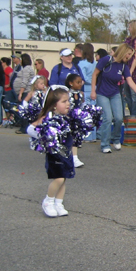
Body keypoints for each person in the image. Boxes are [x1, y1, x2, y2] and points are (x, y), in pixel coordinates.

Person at [27, 86, 74, 218]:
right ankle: (48, 201)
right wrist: (45, 138)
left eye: (68, 101)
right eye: (64, 102)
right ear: (54, 105)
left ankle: (59, 203)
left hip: (66, 153)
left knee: (64, 178)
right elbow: (30, 129)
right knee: (58, 178)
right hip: (54, 154)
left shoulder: (67, 117)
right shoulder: (47, 118)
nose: (68, 104)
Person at [91, 43, 136, 154]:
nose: (129, 57)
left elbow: (130, 81)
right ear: (123, 51)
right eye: (129, 54)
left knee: (119, 118)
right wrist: (93, 90)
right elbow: (95, 74)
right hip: (102, 93)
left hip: (115, 93)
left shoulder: (123, 66)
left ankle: (116, 138)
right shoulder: (107, 60)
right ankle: (105, 144)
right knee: (107, 117)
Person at [123, 20, 136, 116]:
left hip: (134, 69)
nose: (128, 28)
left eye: (130, 27)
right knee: (127, 94)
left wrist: (130, 72)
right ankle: (131, 114)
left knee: (134, 94)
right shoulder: (128, 40)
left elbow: (135, 57)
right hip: (126, 68)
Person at [77, 44, 97, 142]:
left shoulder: (81, 64)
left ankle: (87, 136)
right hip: (95, 89)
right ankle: (93, 135)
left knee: (86, 113)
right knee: (93, 113)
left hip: (85, 89)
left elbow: (83, 77)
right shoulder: (95, 63)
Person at [65, 73, 86, 168]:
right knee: (67, 138)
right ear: (71, 83)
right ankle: (67, 156)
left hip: (76, 120)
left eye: (81, 82)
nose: (80, 84)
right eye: (77, 82)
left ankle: (75, 158)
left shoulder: (81, 94)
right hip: (68, 119)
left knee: (75, 138)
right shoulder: (67, 94)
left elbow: (82, 105)